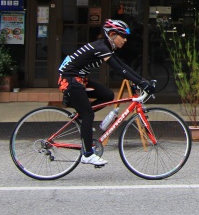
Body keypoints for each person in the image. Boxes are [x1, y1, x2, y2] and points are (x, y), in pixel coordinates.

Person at [58, 19, 154, 166]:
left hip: (79, 80)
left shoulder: (105, 47)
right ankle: (88, 154)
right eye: (123, 36)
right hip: (70, 80)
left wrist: (141, 80)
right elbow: (118, 69)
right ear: (112, 34)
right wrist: (142, 83)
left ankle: (83, 117)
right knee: (88, 114)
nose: (125, 40)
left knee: (108, 95)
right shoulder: (101, 47)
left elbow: (123, 66)